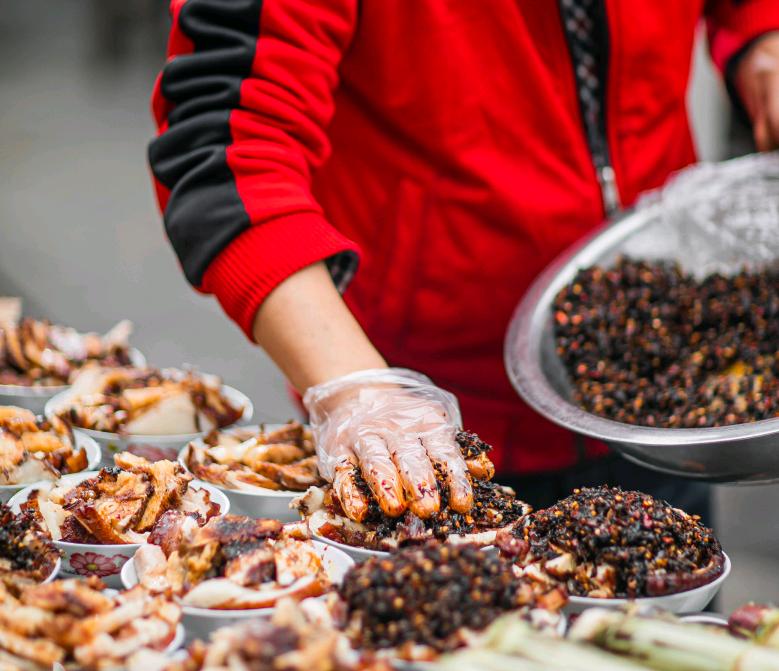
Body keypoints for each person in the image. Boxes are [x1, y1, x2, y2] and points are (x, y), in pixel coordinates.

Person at [149, 1, 779, 520]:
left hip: (664, 396)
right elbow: (223, 151)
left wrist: (762, 41)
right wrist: (360, 391)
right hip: (428, 433)